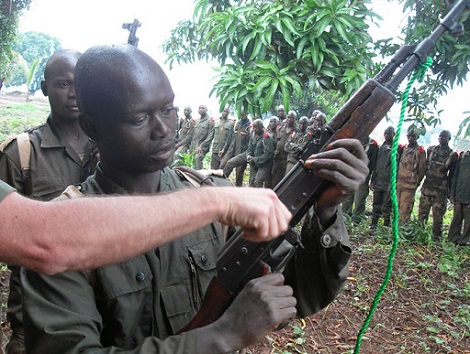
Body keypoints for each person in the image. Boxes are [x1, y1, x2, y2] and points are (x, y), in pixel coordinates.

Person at [20, 44, 368, 353]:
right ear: (93, 128)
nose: (163, 129)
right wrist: (222, 335)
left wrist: (326, 209)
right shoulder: (60, 237)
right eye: (140, 118)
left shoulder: (218, 200)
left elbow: (301, 292)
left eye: (168, 110)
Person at [0, 49, 99, 354]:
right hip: (37, 318)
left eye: (79, 85)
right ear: (45, 89)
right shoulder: (22, 153)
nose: (73, 95)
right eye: (62, 84)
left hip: (103, 313)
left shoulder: (113, 151)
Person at [418, 130, 458, 241]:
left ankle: (436, 238)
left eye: (444, 137)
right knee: (422, 214)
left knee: (437, 217)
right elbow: (425, 167)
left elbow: (452, 176)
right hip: (427, 188)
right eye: (440, 136)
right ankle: (420, 234)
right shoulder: (431, 150)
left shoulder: (452, 155)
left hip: (440, 191)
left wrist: (450, 193)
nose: (441, 138)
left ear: (449, 139)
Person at [370, 126, 401, 229]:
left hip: (388, 182)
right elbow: (376, 165)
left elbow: (397, 168)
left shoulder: (396, 148)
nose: (388, 135)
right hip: (378, 180)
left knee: (386, 206)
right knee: (376, 204)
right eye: (386, 133)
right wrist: (372, 180)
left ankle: (385, 226)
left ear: (394, 135)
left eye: (390, 134)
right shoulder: (381, 148)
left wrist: (393, 183)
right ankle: (374, 224)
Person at [341, 137, 378, 222]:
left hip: (363, 177)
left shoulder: (372, 144)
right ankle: (345, 218)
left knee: (359, 201)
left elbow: (373, 163)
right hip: (350, 175)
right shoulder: (354, 140)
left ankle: (356, 220)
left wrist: (371, 178)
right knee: (347, 199)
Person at [396, 127, 426, 222]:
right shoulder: (404, 148)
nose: (410, 138)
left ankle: (402, 231)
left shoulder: (420, 151)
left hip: (409, 185)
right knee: (396, 207)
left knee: (405, 209)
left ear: (417, 137)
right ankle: (393, 230)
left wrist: (417, 182)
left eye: (413, 136)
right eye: (409, 136)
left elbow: (422, 169)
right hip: (399, 183)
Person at [220, 108, 251, 186]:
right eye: (240, 114)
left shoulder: (250, 126)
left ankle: (238, 190)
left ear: (247, 114)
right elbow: (229, 138)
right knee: (222, 165)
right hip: (231, 150)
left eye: (243, 114)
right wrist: (224, 149)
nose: (242, 116)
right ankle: (221, 184)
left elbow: (251, 142)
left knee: (239, 172)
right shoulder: (236, 123)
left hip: (241, 151)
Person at [448, 150, 470, 246]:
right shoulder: (463, 156)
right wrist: (452, 193)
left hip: (468, 196)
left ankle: (463, 241)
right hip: (459, 193)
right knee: (456, 218)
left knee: (468, 222)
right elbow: (455, 176)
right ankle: (453, 238)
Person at [246, 119, 275, 187]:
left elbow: (268, 154)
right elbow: (249, 148)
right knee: (251, 181)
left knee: (258, 181)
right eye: (253, 127)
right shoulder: (254, 135)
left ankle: (260, 196)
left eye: (256, 127)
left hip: (265, 165)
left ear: (262, 127)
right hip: (255, 163)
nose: (254, 129)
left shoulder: (267, 137)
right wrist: (248, 155)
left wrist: (254, 159)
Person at [271, 110, 297, 187]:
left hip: (288, 160)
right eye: (288, 117)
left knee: (285, 183)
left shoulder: (297, 131)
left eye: (292, 118)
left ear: (295, 119)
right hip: (278, 159)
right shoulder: (281, 129)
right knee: (275, 181)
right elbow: (276, 142)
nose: (289, 119)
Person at [189, 104, 214, 169]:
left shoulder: (209, 121)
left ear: (206, 110)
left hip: (202, 147)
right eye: (199, 108)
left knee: (197, 159)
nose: (201, 109)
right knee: (192, 163)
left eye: (203, 108)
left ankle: (199, 177)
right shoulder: (197, 121)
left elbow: (210, 136)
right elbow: (193, 135)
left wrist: (201, 146)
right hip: (194, 145)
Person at [210, 104, 234, 169]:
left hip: (224, 151)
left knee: (221, 170)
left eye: (227, 112)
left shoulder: (231, 124)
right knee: (213, 170)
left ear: (229, 113)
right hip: (215, 149)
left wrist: (224, 149)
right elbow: (211, 135)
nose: (225, 113)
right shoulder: (216, 122)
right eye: (224, 111)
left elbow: (230, 138)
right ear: (222, 111)